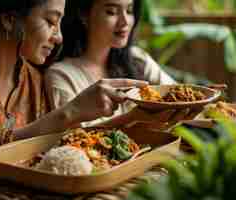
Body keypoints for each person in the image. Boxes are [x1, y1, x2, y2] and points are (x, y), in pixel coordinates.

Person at [0, 0, 147, 172]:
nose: (58, 37)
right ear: (9, 20)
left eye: (60, 24)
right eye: (50, 22)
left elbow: (69, 146)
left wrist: (136, 116)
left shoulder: (33, 80)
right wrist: (69, 112)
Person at [45, 0, 176, 126]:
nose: (125, 21)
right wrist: (132, 118)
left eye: (129, 10)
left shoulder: (137, 59)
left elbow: (179, 95)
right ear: (84, 15)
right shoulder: (62, 76)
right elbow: (74, 141)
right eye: (111, 12)